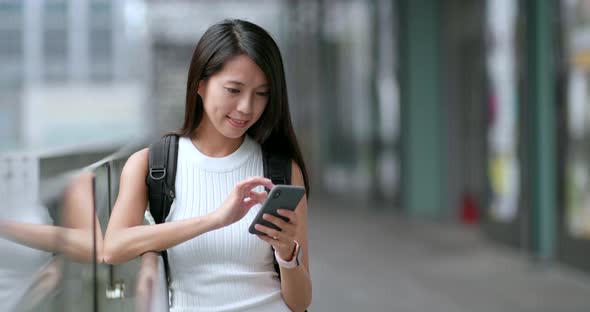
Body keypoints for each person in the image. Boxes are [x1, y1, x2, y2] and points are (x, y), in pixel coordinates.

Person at [103, 19, 312, 312]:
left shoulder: (281, 170)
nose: (246, 108)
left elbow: (300, 302)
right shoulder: (152, 165)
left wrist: (287, 253)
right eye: (233, 90)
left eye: (261, 94)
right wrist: (216, 219)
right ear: (200, 84)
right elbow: (113, 248)